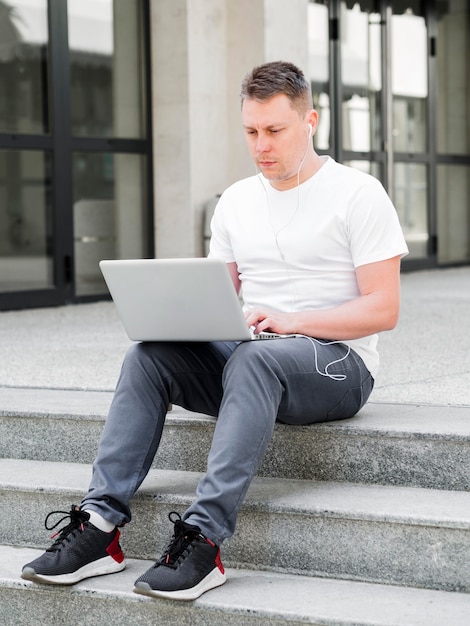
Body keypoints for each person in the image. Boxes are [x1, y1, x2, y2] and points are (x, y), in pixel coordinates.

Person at [21, 61, 408, 600]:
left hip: (336, 363)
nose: (261, 145)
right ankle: (98, 529)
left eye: (275, 130)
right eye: (251, 132)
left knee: (253, 360)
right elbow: (216, 304)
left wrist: (293, 322)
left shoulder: (358, 193)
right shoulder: (236, 201)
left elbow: (383, 309)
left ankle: (204, 542)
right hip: (256, 357)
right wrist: (173, 318)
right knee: (149, 354)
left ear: (311, 120)